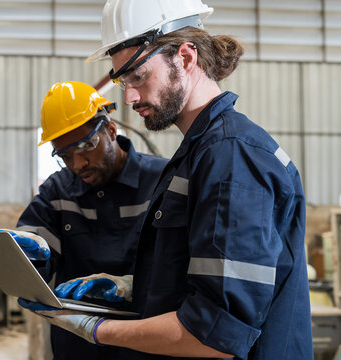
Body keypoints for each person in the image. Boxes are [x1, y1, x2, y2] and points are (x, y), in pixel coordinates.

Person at [19, 0, 314, 359]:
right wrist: (135, 287)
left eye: (138, 76)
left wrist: (97, 329)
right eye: (122, 82)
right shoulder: (197, 156)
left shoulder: (231, 158)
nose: (128, 97)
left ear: (186, 58)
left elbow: (216, 333)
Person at [0, 81, 168, 360]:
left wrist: (131, 286)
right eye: (65, 156)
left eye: (86, 146)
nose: (77, 164)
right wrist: (26, 255)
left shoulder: (161, 181)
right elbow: (35, 241)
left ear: (111, 131)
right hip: (76, 343)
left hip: (144, 341)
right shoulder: (59, 190)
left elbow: (178, 267)